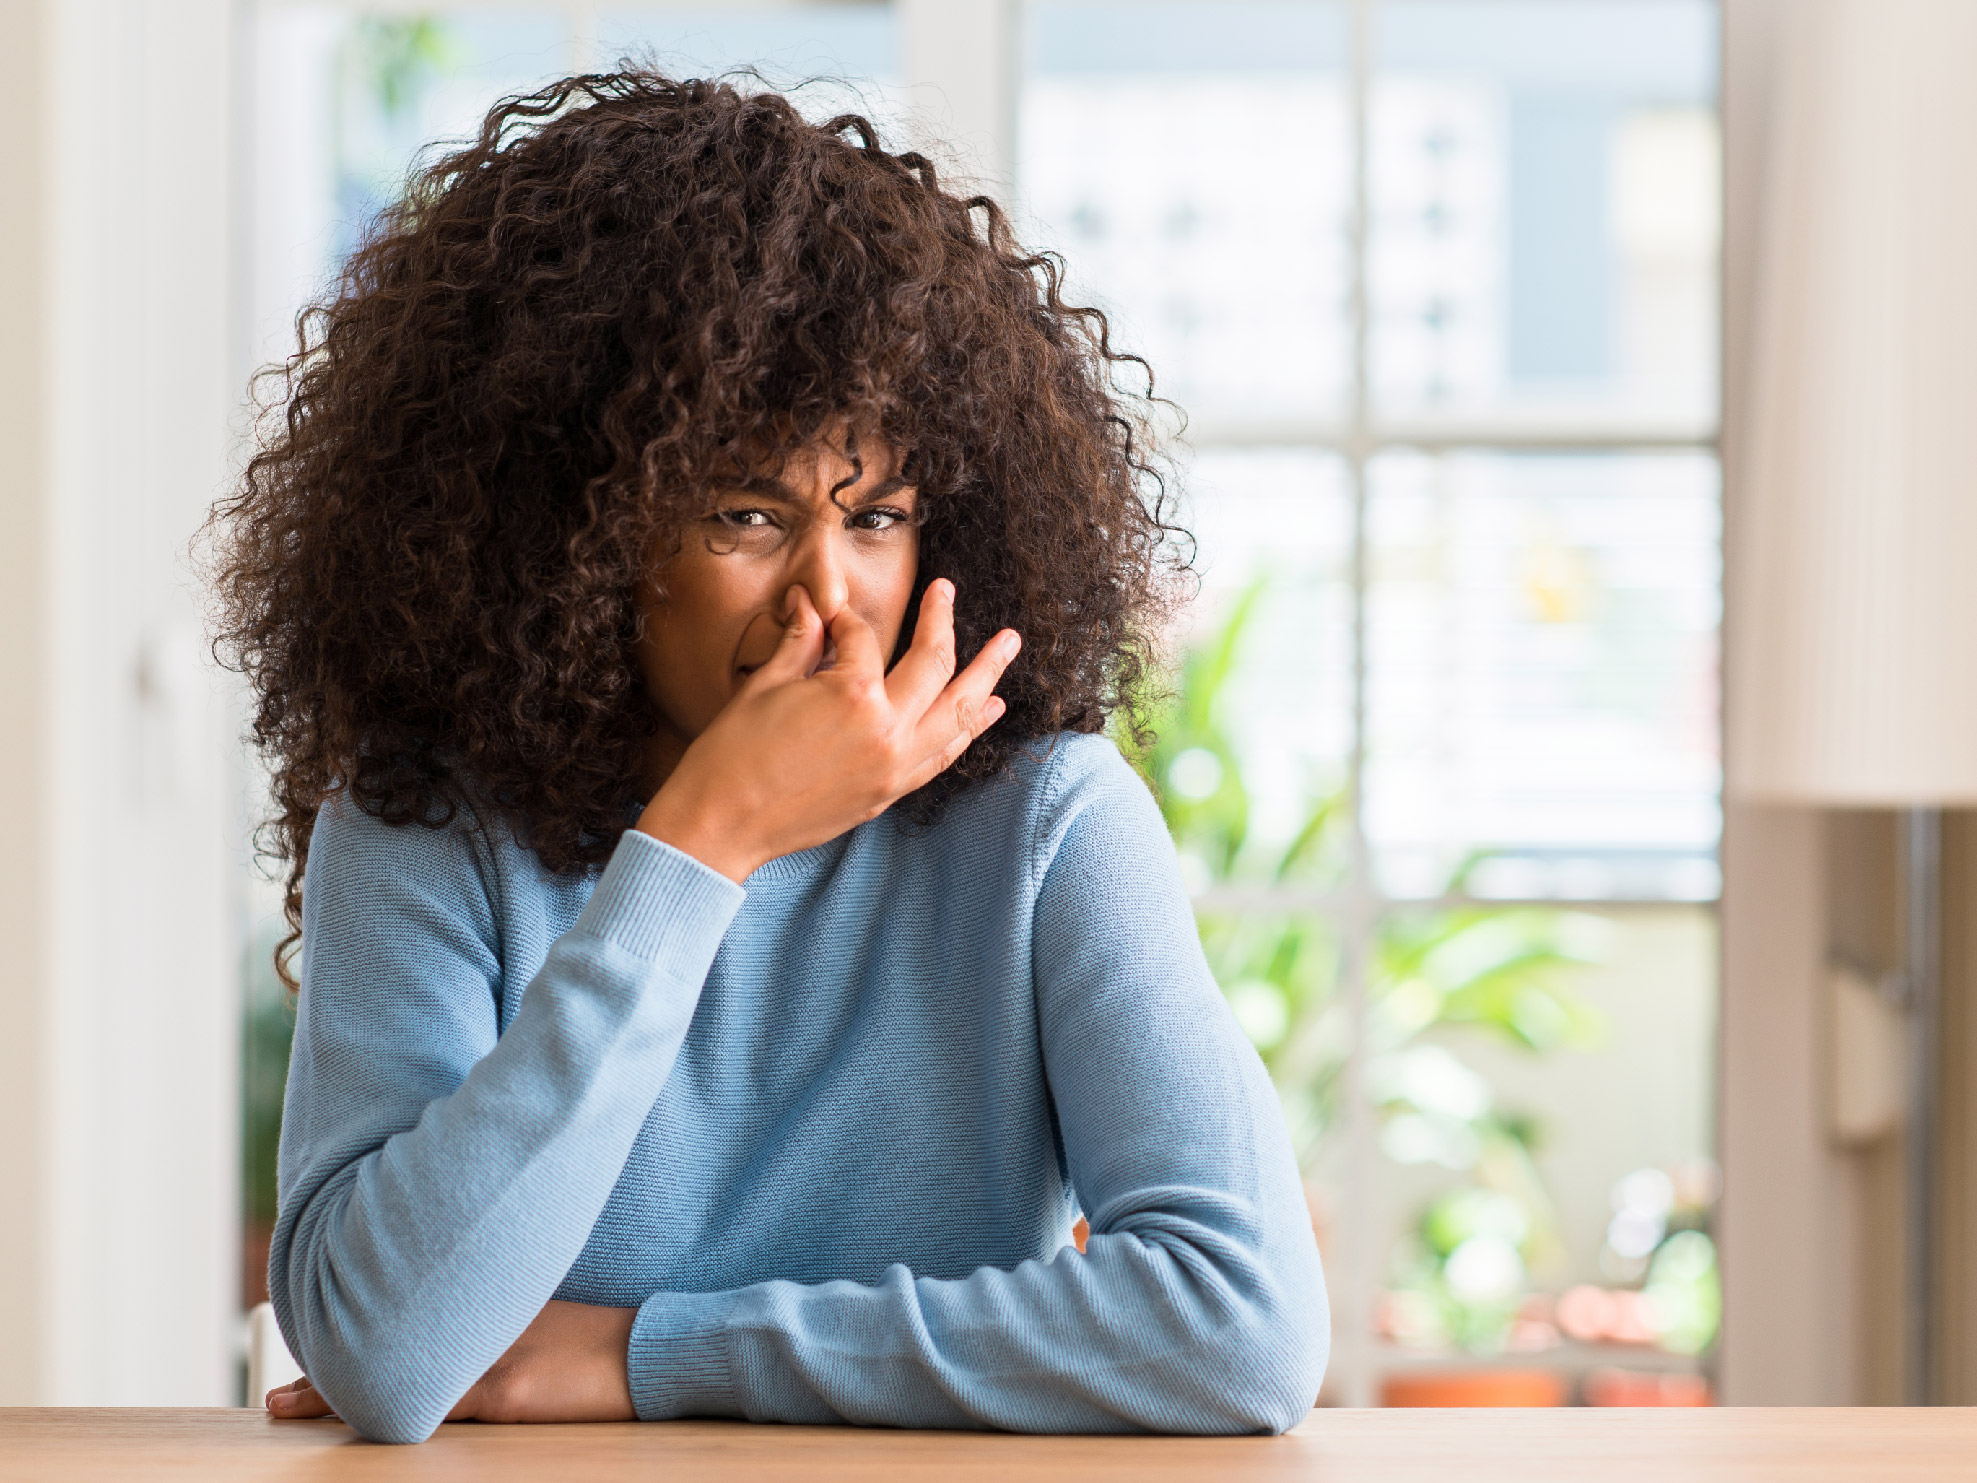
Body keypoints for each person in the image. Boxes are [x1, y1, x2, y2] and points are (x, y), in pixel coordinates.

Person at [210, 69, 1327, 1445]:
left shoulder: (1048, 823)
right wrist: (701, 845)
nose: (830, 601)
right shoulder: (425, 825)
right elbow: (389, 1354)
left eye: (878, 516)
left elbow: (1239, 1331)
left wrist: (645, 1355)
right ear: (574, 539)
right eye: (744, 515)